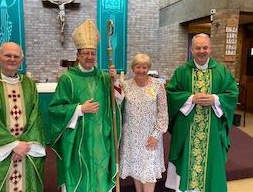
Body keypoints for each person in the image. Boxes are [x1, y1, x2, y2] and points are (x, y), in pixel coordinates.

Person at [49, 19, 123, 192]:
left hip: (100, 140)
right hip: (77, 141)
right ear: (78, 55)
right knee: (79, 177)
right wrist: (79, 109)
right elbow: (55, 109)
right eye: (86, 53)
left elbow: (117, 101)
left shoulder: (104, 77)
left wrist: (115, 81)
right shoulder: (67, 79)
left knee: (100, 177)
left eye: (92, 53)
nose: (90, 57)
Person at [165, 33, 239, 192]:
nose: (202, 51)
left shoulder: (221, 71)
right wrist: (190, 98)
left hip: (212, 129)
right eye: (198, 48)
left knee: (211, 166)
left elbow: (232, 94)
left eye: (205, 47)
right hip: (187, 129)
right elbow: (171, 94)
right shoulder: (182, 71)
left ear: (210, 49)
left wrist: (216, 99)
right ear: (191, 50)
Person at [0, 42, 46, 191]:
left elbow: (35, 118)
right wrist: (13, 145)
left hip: (25, 151)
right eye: (7, 55)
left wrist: (23, 145)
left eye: (16, 56)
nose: (12, 59)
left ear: (21, 60)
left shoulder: (29, 85)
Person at [119, 53, 169, 192]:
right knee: (137, 170)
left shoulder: (158, 86)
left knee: (148, 172)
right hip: (131, 137)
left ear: (149, 68)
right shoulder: (126, 86)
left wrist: (156, 135)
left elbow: (163, 112)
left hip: (150, 137)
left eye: (144, 67)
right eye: (138, 67)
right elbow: (118, 108)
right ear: (132, 68)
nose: (141, 70)